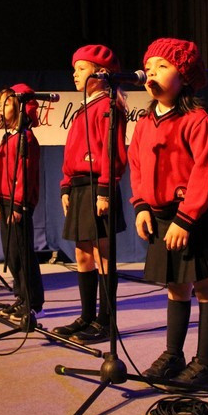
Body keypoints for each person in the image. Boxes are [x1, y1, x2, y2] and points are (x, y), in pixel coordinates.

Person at [130, 38, 208, 388]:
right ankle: (174, 354)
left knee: (205, 287)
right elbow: (137, 166)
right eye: (149, 67)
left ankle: (206, 364)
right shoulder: (145, 123)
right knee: (175, 287)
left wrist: (186, 218)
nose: (152, 73)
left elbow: (206, 169)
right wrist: (141, 205)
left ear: (184, 75)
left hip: (191, 216)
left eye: (162, 66)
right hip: (159, 215)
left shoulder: (196, 119)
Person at [51, 44, 128, 345]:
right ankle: (87, 316)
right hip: (80, 187)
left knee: (102, 253)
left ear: (101, 73)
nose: (74, 74)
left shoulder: (108, 106)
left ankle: (106, 321)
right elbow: (71, 152)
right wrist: (66, 185)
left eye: (81, 69)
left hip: (99, 186)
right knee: (82, 254)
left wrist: (105, 190)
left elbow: (112, 152)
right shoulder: (83, 108)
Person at [0, 84, 45, 322]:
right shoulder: (9, 137)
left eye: (6, 103)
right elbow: (3, 174)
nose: (1, 108)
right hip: (5, 202)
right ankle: (21, 296)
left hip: (18, 203)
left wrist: (17, 205)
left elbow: (24, 175)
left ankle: (32, 301)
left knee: (23, 253)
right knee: (11, 254)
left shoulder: (26, 138)